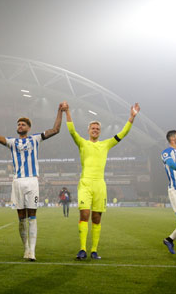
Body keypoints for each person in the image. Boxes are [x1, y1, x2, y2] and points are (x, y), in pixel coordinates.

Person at [0, 102, 65, 261]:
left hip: (31, 181)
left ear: (29, 127)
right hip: (17, 182)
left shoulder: (35, 139)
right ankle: (26, 248)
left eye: (23, 124)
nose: (20, 126)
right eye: (18, 124)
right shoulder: (12, 142)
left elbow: (56, 129)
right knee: (21, 217)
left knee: (32, 216)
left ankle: (32, 251)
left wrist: (59, 111)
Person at [64, 101, 139, 260]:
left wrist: (131, 118)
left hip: (100, 185)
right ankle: (82, 249)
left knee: (96, 218)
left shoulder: (106, 144)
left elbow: (123, 133)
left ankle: (94, 250)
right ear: (89, 130)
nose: (95, 130)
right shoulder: (82, 143)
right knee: (84, 214)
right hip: (85, 183)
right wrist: (67, 112)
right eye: (93, 128)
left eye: (98, 128)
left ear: (100, 131)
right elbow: (71, 130)